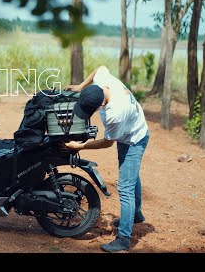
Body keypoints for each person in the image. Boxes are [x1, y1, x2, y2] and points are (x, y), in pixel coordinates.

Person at [64, 66, 149, 252]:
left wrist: (80, 146)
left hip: (135, 138)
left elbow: (107, 142)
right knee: (130, 174)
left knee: (125, 188)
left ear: (100, 105)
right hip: (130, 130)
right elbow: (99, 68)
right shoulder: (103, 83)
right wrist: (80, 86)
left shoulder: (115, 113)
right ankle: (136, 214)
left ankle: (123, 240)